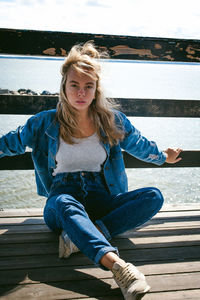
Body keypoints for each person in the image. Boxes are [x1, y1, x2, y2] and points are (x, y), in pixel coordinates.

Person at [0, 41, 182, 300]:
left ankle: (80, 236)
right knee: (64, 202)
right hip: (61, 204)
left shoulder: (112, 121)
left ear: (96, 90)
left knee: (153, 196)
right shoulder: (44, 122)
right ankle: (119, 268)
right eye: (74, 85)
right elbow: (10, 142)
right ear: (64, 86)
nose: (81, 92)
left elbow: (139, 145)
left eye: (88, 86)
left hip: (102, 199)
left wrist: (164, 157)